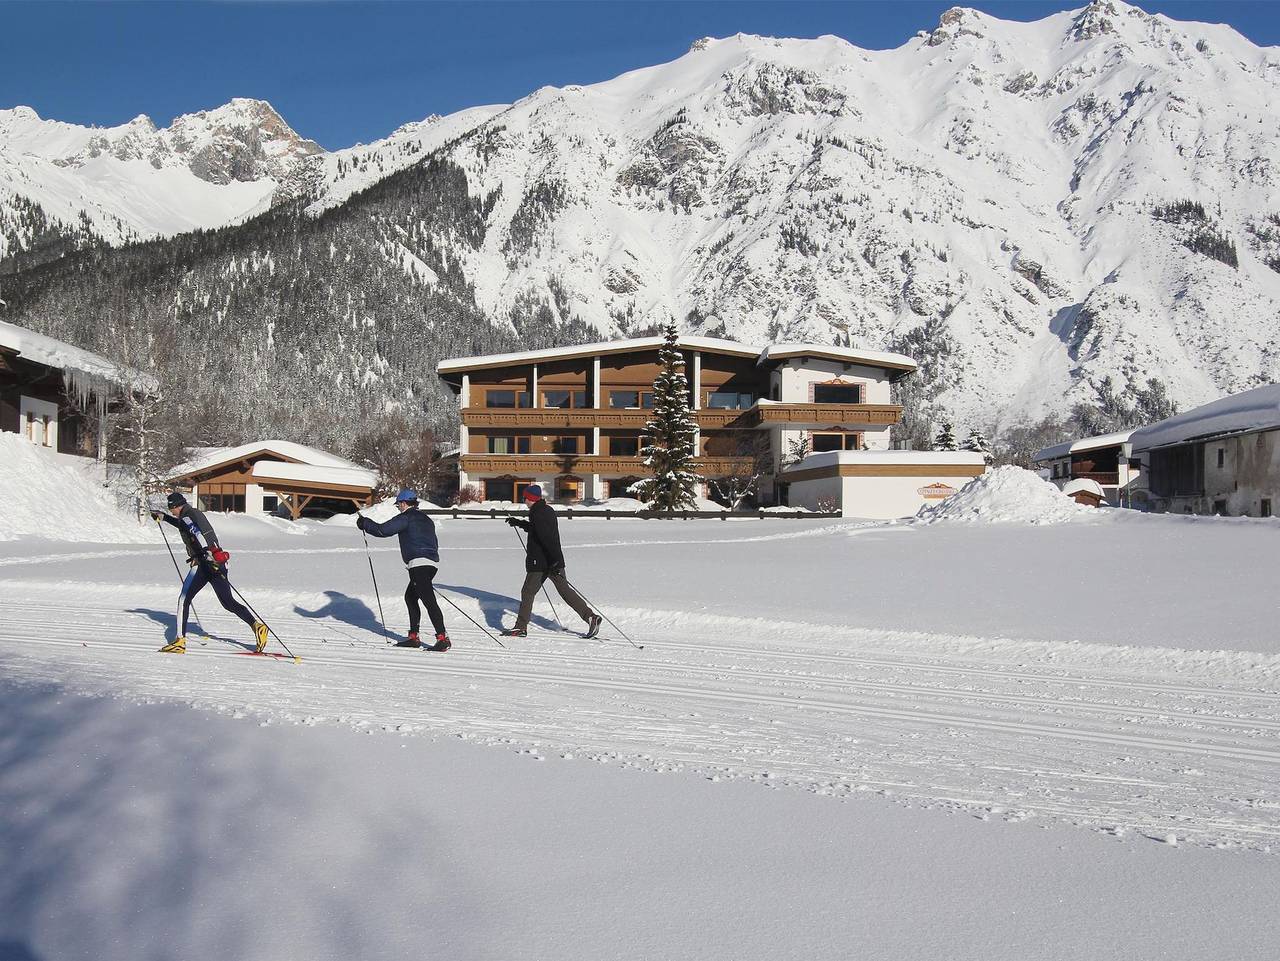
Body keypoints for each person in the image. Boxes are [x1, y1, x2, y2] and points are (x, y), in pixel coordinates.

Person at [152, 492, 267, 654]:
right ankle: (258, 627)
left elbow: (197, 534)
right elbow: (185, 526)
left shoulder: (186, 517)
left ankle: (179, 641)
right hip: (218, 561)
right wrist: (164, 518)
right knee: (228, 602)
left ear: (176, 506)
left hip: (205, 563)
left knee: (183, 599)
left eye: (171, 510)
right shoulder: (192, 514)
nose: (172, 512)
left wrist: (207, 555)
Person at [356, 489, 450, 651]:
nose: (398, 507)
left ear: (403, 503)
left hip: (418, 564)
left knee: (428, 600)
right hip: (431, 564)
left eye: (398, 505)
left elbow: (382, 530)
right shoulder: (427, 520)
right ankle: (413, 637)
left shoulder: (406, 517)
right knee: (411, 597)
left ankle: (442, 638)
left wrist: (365, 523)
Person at [503, 484, 601, 638]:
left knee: (527, 592)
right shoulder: (545, 510)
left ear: (530, 498)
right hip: (552, 560)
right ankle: (590, 617)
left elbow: (547, 538)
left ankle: (521, 627)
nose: (524, 500)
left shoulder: (537, 513)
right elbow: (539, 530)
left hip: (542, 562)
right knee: (565, 591)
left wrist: (553, 561)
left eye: (525, 498)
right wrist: (520, 523)